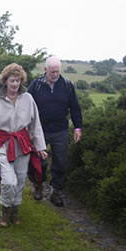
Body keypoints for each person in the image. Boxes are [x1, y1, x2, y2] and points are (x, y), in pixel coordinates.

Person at [0, 63, 48, 227]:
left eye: (18, 81)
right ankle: (4, 210)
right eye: (12, 80)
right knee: (8, 181)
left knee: (20, 180)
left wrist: (41, 147)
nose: (15, 84)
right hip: (4, 145)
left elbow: (36, 125)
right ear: (5, 81)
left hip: (23, 145)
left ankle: (15, 210)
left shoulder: (28, 99)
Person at [27, 56, 82, 207]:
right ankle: (38, 186)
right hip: (40, 130)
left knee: (61, 163)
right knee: (40, 162)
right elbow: (25, 106)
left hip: (61, 130)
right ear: (45, 70)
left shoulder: (67, 85)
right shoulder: (36, 85)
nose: (55, 75)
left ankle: (55, 191)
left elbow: (75, 108)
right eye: (52, 72)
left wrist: (78, 127)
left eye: (57, 71)